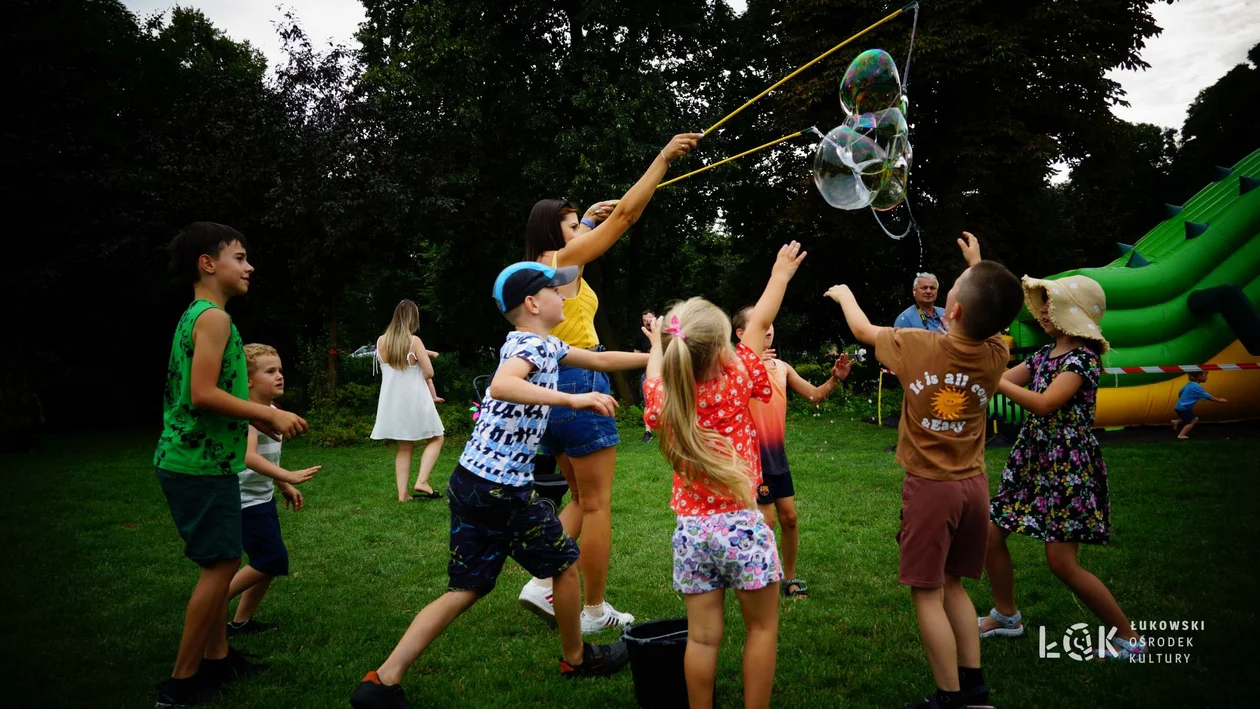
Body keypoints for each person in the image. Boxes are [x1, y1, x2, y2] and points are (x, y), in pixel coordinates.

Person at [350, 262, 648, 709]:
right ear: (532, 303)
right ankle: (577, 658)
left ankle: (382, 679)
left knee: (466, 588)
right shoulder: (529, 345)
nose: (562, 294)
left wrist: (664, 353)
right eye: (553, 289)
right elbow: (503, 385)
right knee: (565, 564)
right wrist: (573, 397)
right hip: (500, 490)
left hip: (469, 480)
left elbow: (603, 359)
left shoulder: (541, 343)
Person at [826, 233, 1023, 709]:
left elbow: (861, 331)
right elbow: (993, 318)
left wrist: (844, 294)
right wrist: (978, 263)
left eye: (954, 286)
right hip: (974, 486)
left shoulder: (916, 344)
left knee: (926, 591)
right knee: (954, 584)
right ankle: (974, 690)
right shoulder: (996, 353)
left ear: (952, 310)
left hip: (931, 490)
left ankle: (948, 698)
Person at [519, 132, 702, 633]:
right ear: (555, 235)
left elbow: (607, 222)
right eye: (574, 226)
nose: (584, 230)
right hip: (578, 380)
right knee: (597, 504)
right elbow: (625, 218)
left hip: (551, 389)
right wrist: (662, 157)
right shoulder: (558, 263)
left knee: (579, 496)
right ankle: (595, 611)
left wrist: (594, 219)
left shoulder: (540, 269)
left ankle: (539, 584)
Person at [643, 241, 807, 709]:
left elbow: (655, 373)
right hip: (742, 526)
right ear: (722, 352)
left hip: (691, 533)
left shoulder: (664, 401)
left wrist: (656, 342)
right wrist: (779, 275)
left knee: (702, 639)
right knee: (761, 627)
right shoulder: (737, 378)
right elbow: (757, 325)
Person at [153, 222, 307, 707]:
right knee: (220, 567)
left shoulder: (197, 315)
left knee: (225, 561)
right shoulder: (214, 319)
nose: (249, 266)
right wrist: (268, 413)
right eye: (239, 257)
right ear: (207, 263)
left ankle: (218, 661)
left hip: (196, 460)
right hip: (197, 462)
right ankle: (181, 683)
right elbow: (201, 394)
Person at [982, 274, 1146, 661]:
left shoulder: (1083, 359)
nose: (1039, 311)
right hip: (1033, 460)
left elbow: (1044, 403)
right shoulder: (1044, 355)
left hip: (1067, 466)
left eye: (1048, 304)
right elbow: (1000, 382)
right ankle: (1006, 616)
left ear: (1072, 313)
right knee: (991, 533)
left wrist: (992, 379)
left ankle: (1128, 639)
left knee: (1061, 562)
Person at [731, 307, 852, 599]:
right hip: (750, 459)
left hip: (776, 457)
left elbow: (815, 395)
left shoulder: (782, 368)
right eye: (761, 325)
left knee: (790, 519)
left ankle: (790, 577)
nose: (768, 329)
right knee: (767, 521)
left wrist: (835, 378)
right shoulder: (732, 367)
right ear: (741, 335)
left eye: (770, 324)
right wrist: (750, 365)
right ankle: (760, 577)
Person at [225, 344, 320, 637]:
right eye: (270, 371)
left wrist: (283, 485)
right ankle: (211, 602)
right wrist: (287, 474)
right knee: (271, 560)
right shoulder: (246, 415)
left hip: (261, 498)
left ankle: (240, 623)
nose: (279, 376)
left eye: (280, 370)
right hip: (244, 502)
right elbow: (248, 457)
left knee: (267, 562)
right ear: (248, 379)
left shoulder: (272, 411)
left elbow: (266, 459)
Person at [370, 300, 446, 502]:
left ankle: (402, 494)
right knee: (437, 437)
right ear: (413, 318)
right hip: (415, 399)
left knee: (404, 447)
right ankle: (422, 481)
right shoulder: (414, 341)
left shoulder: (380, 342)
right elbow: (429, 372)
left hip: (392, 402)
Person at [1172, 370, 1227, 439]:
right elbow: (1208, 396)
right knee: (1194, 420)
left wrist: (1181, 399)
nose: (1207, 377)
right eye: (1205, 375)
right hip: (1184, 408)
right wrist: (1219, 400)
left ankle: (1175, 422)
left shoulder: (1189, 384)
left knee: (1187, 417)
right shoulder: (1197, 388)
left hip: (1179, 406)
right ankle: (1181, 435)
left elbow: (1180, 392)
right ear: (1199, 376)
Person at [633, 309, 656, 443]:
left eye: (650, 319)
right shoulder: (640, 337)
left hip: (664, 373)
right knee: (648, 402)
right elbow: (636, 356)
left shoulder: (663, 334)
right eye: (644, 320)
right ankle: (648, 432)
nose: (647, 322)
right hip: (647, 374)